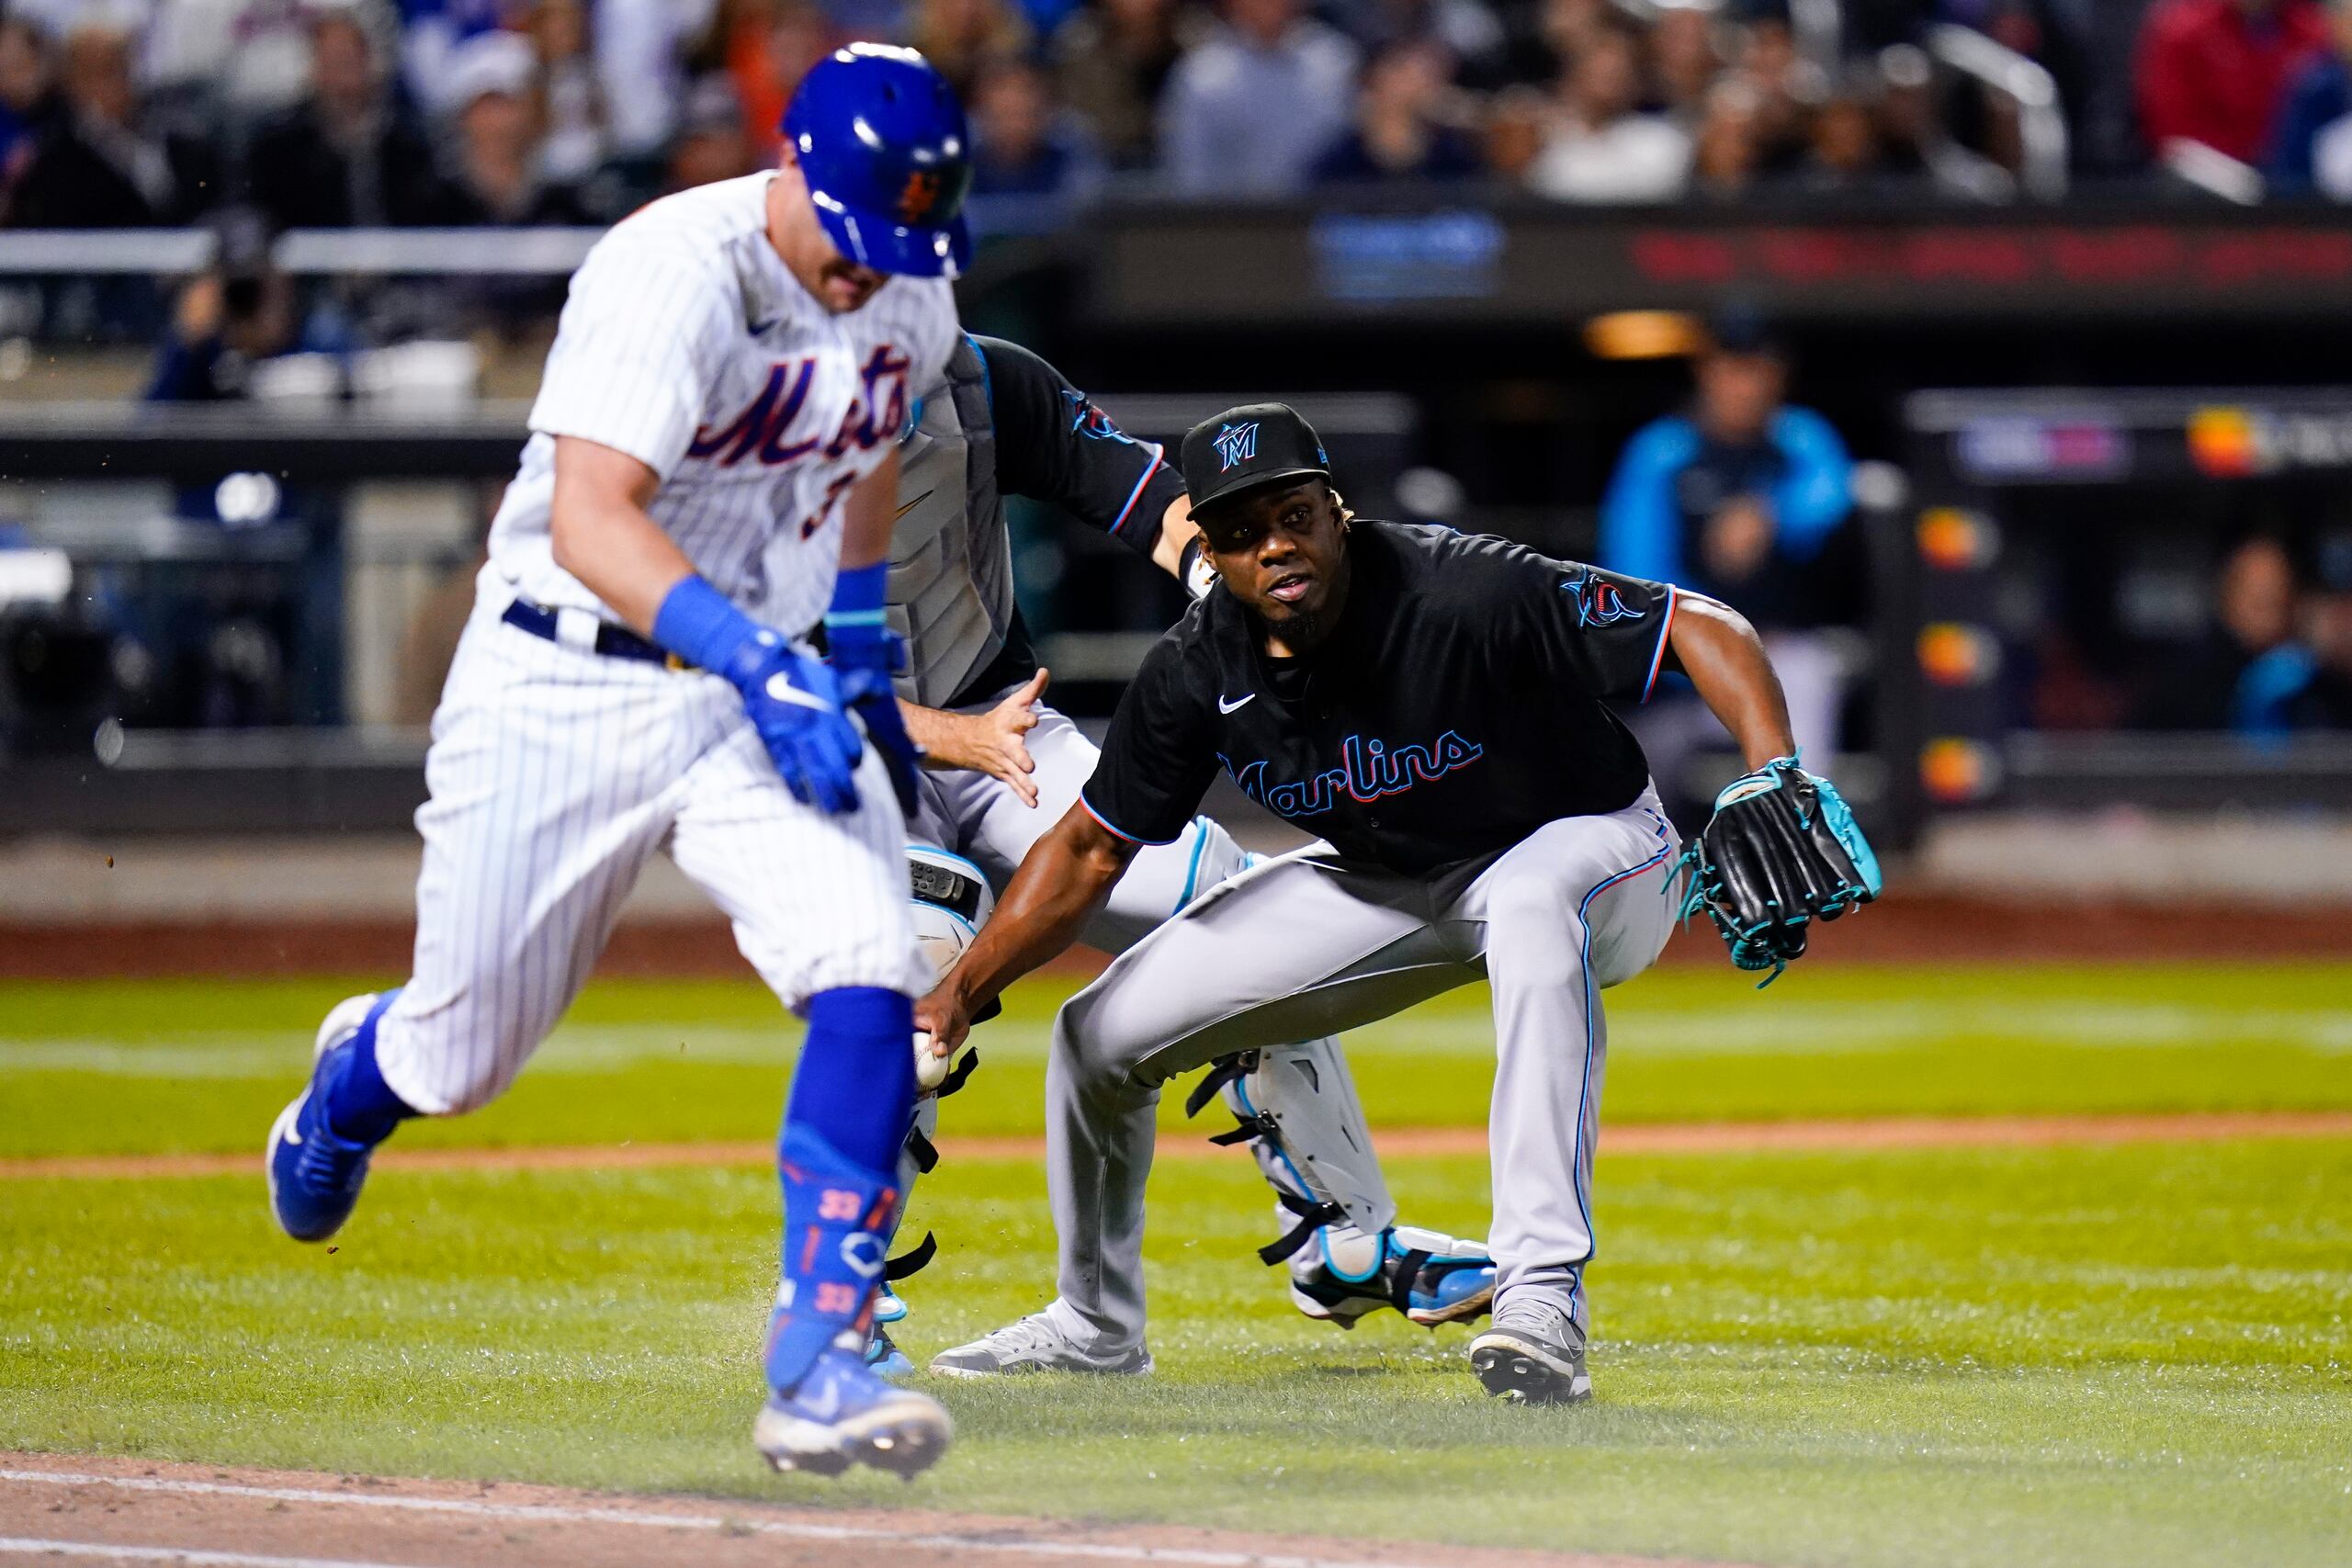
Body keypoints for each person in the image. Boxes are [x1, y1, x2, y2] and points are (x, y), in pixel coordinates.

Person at [263, 44, 971, 1481]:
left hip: (747, 687)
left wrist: (847, 643)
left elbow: (876, 443)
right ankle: (354, 1077)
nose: (869, 272)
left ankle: (817, 1356)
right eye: (854, 235)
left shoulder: (910, 281)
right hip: (560, 678)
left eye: (899, 242)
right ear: (789, 164)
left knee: (870, 955)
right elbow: (593, 516)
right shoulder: (670, 267)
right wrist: (760, 654)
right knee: (460, 1056)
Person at [917, 403, 1872, 1403]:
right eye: (1240, 532)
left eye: (1292, 514)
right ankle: (1095, 1323)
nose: (1273, 545)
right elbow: (1084, 851)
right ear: (1210, 549)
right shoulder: (1197, 670)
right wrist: (958, 988)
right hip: (1384, 879)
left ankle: (1539, 1293)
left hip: (1590, 848)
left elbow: (1698, 624)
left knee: (1536, 903)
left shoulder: (1465, 587)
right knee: (1098, 1032)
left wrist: (1774, 773)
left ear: (1337, 511)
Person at [870, 340, 1496, 1375]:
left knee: (1220, 901)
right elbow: (738, 660)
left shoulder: (984, 380)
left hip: (1003, 722)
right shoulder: (739, 427)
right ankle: (842, 1304)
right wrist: (940, 736)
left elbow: (1145, 493)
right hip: (839, 749)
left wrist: (1226, 586)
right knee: (913, 945)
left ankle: (1344, 1240)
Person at [1598, 308, 1854, 812]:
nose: (1744, 385)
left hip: (1783, 652)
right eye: (1731, 368)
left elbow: (1832, 493)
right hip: (1685, 665)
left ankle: (1796, 852)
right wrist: (1713, 644)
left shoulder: (1799, 438)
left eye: (1757, 369)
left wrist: (1770, 514)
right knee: (1636, 788)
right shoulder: (1664, 450)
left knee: (1805, 681)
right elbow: (1633, 572)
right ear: (1706, 370)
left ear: (1778, 375)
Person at [1157, 0, 1359, 197]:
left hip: (1325, 217)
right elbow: (1191, 175)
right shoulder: (1201, 75)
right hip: (1233, 221)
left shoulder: (1337, 61)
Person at [2135, 0, 2326, 165]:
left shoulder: (2312, 33)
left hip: (2293, 175)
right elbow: (2172, 126)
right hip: (2209, 176)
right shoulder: (2183, 32)